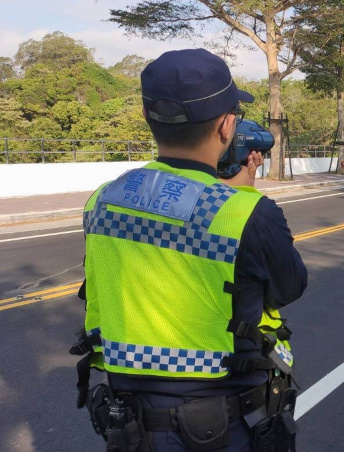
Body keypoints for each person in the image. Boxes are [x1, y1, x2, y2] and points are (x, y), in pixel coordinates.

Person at [69, 48, 308, 451]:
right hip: (224, 426)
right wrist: (239, 199)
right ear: (227, 125)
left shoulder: (102, 200)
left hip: (129, 426)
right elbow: (288, 288)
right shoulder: (248, 213)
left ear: (148, 118)